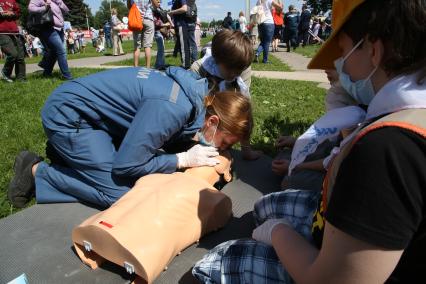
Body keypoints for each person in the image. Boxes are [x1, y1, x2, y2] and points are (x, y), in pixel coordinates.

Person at [192, 0, 426, 283]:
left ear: (373, 50)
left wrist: (279, 232)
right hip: (334, 225)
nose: (339, 67)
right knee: (263, 207)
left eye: (341, 51)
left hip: (335, 268)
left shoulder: (386, 149)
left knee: (218, 260)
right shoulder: (403, 119)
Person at [8, 67, 253, 210]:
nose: (221, 149)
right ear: (212, 122)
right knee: (121, 193)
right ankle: (36, 170)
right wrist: (182, 159)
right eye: (225, 143)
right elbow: (127, 166)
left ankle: (69, 156)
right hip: (70, 118)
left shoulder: (194, 96)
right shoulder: (171, 109)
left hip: (95, 117)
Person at [191, 29, 262, 160]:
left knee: (243, 113)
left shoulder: (242, 66)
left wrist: (245, 148)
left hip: (222, 99)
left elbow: (243, 107)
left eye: (239, 70)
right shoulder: (199, 68)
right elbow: (196, 108)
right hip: (204, 103)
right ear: (217, 60)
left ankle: (244, 150)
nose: (234, 74)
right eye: (230, 70)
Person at [29, 0, 72, 80]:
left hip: (60, 28)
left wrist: (59, 2)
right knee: (61, 51)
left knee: (54, 53)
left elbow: (66, 10)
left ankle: (46, 73)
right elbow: (31, 8)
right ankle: (67, 76)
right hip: (49, 28)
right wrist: (44, 7)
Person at [0, 0, 26, 82]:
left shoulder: (13, 1)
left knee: (20, 56)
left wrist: (13, 14)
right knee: (12, 54)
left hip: (14, 31)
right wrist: (3, 14)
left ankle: (21, 78)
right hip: (2, 32)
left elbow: (18, 13)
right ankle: (6, 72)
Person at [169, 0, 198, 69]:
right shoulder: (192, 3)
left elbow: (184, 8)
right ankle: (190, 63)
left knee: (184, 46)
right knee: (188, 44)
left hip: (182, 23)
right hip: (187, 23)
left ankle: (186, 65)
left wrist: (171, 12)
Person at [127, 0, 154, 67]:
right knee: (147, 46)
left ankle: (135, 67)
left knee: (137, 47)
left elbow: (129, 6)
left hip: (136, 20)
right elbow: (155, 4)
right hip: (148, 19)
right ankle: (148, 68)